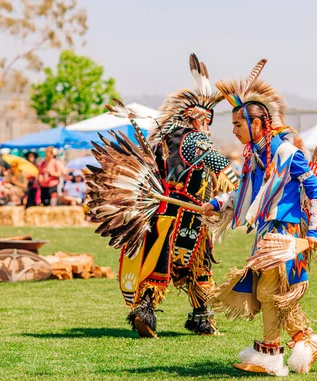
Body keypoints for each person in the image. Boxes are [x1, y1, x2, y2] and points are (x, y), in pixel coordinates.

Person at [201, 59, 317, 376]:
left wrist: (314, 235)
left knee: (269, 292)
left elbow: (316, 190)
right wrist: (216, 202)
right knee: (276, 294)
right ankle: (305, 342)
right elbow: (245, 191)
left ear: (257, 123)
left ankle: (270, 355)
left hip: (288, 232)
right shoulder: (255, 154)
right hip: (267, 229)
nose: (233, 130)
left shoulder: (286, 153)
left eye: (238, 125)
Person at [88, 54, 239, 338]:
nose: (206, 126)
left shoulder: (165, 139)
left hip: (164, 212)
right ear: (197, 119)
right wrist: (243, 187)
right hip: (190, 214)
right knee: (197, 265)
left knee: (161, 262)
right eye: (205, 120)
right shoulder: (196, 139)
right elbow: (220, 165)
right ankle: (200, 318)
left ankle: (150, 310)